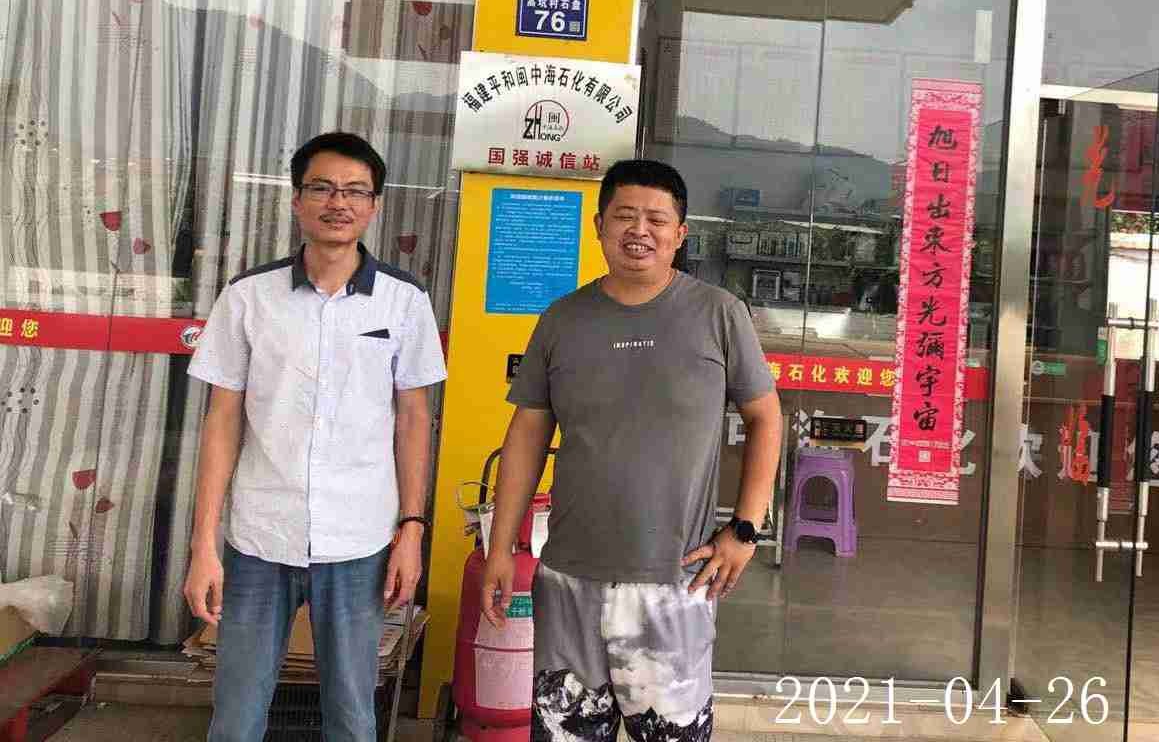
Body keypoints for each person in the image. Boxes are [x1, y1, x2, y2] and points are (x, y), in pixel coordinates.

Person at [483, 159, 783, 742]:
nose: (639, 230)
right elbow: (527, 434)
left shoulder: (719, 313)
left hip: (675, 582)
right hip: (569, 579)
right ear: (599, 226)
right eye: (624, 216)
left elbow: (765, 416)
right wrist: (501, 547)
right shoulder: (563, 319)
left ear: (680, 233)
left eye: (656, 219)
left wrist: (745, 530)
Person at [183, 131, 448, 742]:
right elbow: (222, 420)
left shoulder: (404, 302)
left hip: (360, 541)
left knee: (352, 716)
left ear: (375, 205)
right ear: (297, 200)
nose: (339, 202)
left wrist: (412, 530)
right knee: (236, 714)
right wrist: (203, 544)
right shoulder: (249, 297)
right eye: (323, 188)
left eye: (355, 191)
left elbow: (414, 420)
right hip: (259, 537)